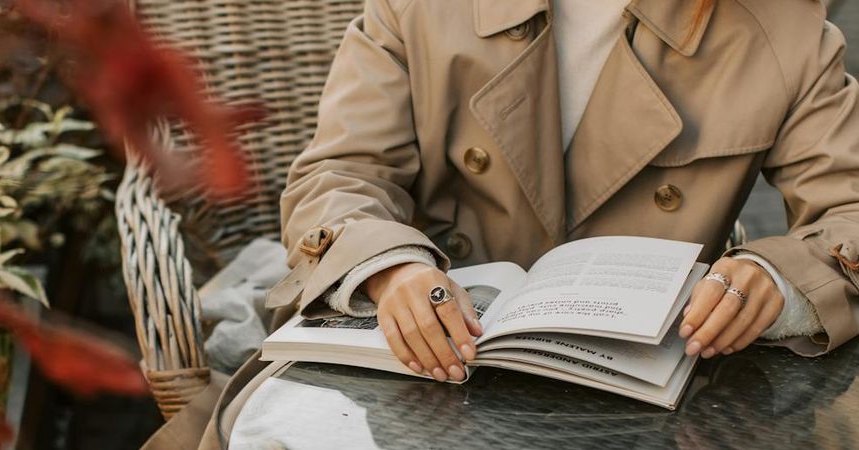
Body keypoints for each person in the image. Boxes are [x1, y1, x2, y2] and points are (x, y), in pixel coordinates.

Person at [274, 0, 859, 383]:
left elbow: (849, 209)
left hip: (644, 383)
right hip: (426, 367)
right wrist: (392, 269)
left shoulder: (789, 33)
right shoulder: (418, 8)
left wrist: (777, 279)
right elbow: (341, 174)